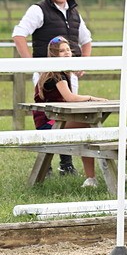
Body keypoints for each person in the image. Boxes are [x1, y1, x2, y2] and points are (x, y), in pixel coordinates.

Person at [12, 0, 93, 175]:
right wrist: (31, 64)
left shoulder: (74, 12)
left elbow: (86, 39)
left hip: (70, 73)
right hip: (47, 75)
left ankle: (66, 164)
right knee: (48, 114)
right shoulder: (38, 10)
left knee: (70, 112)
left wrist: (84, 63)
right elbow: (19, 34)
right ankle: (46, 164)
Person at [36, 37, 106, 188]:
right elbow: (70, 98)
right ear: (54, 55)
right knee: (89, 125)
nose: (67, 53)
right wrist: (92, 98)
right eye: (61, 51)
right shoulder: (55, 75)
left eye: (68, 49)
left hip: (56, 119)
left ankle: (94, 176)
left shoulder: (62, 73)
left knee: (89, 126)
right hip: (48, 124)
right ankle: (98, 173)